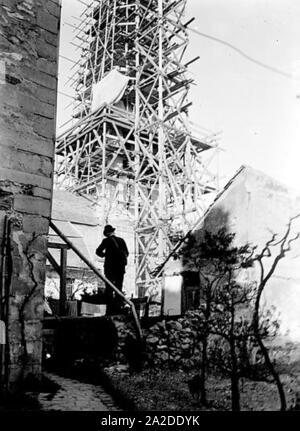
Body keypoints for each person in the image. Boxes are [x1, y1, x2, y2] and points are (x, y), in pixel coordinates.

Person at [96, 224, 129, 315]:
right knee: (119, 287)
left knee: (109, 289)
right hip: (120, 268)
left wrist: (105, 255)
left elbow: (98, 251)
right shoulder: (121, 240)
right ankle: (118, 308)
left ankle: (110, 310)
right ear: (113, 232)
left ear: (106, 233)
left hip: (110, 268)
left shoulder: (106, 241)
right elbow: (127, 253)